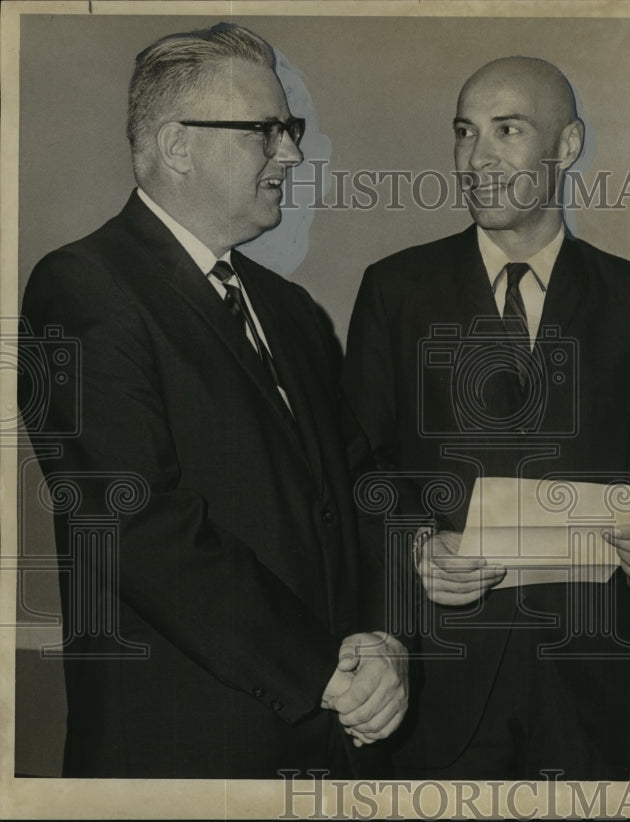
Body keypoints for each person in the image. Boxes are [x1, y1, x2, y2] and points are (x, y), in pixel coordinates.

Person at [18, 23, 406, 779]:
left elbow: (361, 493)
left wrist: (384, 636)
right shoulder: (81, 287)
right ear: (175, 145)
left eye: (288, 130)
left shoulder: (292, 313)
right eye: (266, 130)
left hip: (325, 749)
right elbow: (136, 522)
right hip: (182, 756)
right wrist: (325, 673)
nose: (290, 152)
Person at [341, 56, 630, 780]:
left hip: (596, 695)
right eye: (465, 132)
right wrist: (414, 552)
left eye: (508, 130)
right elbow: (357, 466)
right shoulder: (394, 290)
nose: (477, 157)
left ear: (567, 146)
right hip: (437, 694)